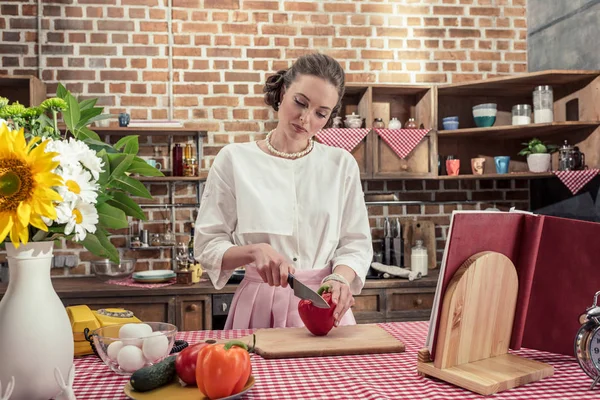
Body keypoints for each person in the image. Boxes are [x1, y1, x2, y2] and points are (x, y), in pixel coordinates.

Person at [194, 53, 373, 330]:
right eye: (300, 102)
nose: (305, 118)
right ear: (282, 92)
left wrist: (340, 278)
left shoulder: (342, 165)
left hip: (325, 307)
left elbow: (356, 244)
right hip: (257, 306)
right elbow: (207, 246)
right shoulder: (234, 159)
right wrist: (254, 251)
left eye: (320, 113)